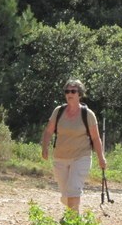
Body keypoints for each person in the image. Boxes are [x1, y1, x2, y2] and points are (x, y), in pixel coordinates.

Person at [40, 79, 107, 214]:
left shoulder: (88, 114)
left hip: (81, 157)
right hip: (60, 157)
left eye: (73, 91)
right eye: (67, 91)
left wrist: (101, 158)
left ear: (79, 94)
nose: (69, 94)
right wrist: (45, 147)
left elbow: (95, 138)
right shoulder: (58, 111)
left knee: (73, 189)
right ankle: (74, 218)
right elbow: (48, 131)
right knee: (66, 194)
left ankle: (73, 223)